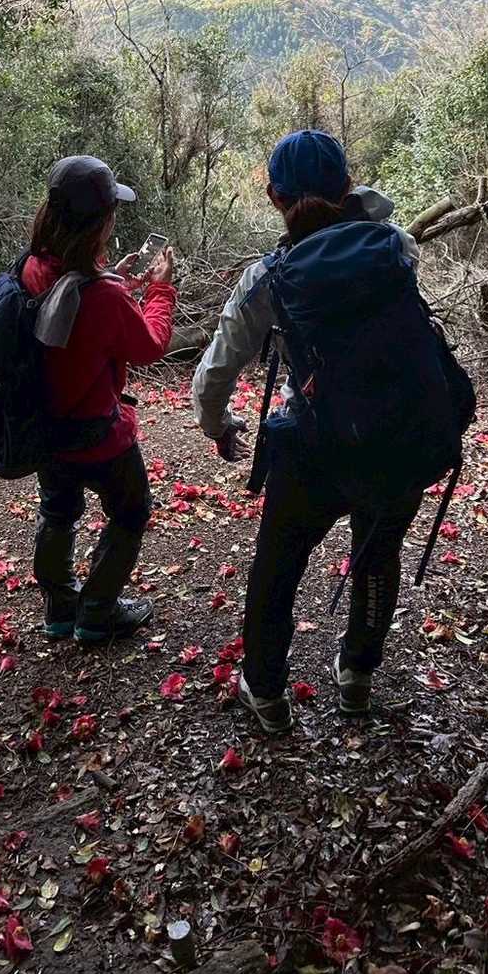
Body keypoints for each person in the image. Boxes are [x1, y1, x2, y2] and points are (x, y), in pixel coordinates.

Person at [191, 130, 425, 732]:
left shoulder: (268, 277)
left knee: (279, 565)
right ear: (347, 185)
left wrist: (219, 425)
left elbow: (212, 376)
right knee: (377, 555)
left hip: (315, 447)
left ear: (274, 196)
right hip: (399, 439)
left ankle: (267, 691)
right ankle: (357, 677)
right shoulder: (396, 246)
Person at [21, 155, 176, 644]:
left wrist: (114, 279)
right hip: (101, 435)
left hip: (47, 431)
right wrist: (160, 291)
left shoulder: (34, 268)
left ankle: (60, 608)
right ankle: (97, 612)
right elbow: (149, 345)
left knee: (57, 513)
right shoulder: (103, 295)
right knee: (131, 512)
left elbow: (74, 315)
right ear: (102, 222)